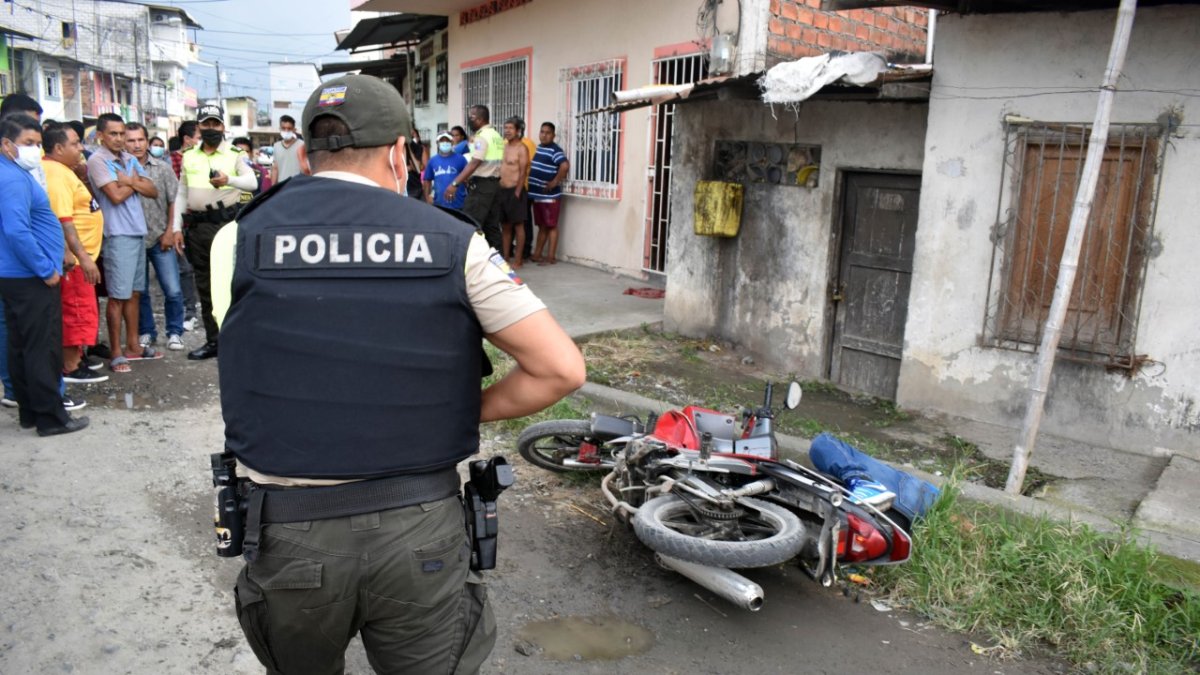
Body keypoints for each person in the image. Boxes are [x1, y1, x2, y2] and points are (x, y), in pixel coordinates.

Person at [208, 73, 585, 674]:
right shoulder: (453, 240)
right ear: (398, 153)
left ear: (304, 155)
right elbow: (560, 369)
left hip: (290, 530)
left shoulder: (237, 236)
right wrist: (464, 407)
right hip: (420, 529)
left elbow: (251, 351)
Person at [0, 114, 89, 435]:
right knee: (42, 348)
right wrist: (45, 269)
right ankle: (50, 418)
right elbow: (17, 231)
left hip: (17, 276)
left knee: (22, 345)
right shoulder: (10, 178)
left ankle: (32, 413)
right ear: (6, 144)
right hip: (30, 277)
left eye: (38, 144)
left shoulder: (13, 173)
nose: (35, 150)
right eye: (28, 144)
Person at [172, 104, 256, 361]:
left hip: (225, 225)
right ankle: (214, 341)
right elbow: (181, 193)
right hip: (197, 228)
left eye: (215, 124)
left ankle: (238, 340)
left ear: (222, 127)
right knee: (206, 286)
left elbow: (252, 183)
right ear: (198, 126)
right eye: (206, 124)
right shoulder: (189, 156)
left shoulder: (234, 155)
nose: (211, 129)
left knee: (232, 284)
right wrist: (176, 227)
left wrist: (228, 180)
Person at [87, 113, 162, 374]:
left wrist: (129, 180)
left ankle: (133, 346)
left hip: (136, 232)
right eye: (114, 134)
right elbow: (115, 196)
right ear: (101, 135)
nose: (120, 139)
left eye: (122, 134)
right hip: (116, 234)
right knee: (118, 296)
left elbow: (153, 190)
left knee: (134, 293)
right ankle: (117, 352)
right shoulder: (98, 161)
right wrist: (136, 183)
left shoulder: (128, 160)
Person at [41, 123, 107, 384]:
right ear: (58, 148)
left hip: (81, 258)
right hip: (75, 261)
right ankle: (70, 366)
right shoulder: (55, 174)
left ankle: (76, 358)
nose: (81, 148)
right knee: (75, 311)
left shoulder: (63, 171)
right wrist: (81, 256)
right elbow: (62, 220)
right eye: (75, 143)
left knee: (82, 310)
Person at [126, 122, 184, 352]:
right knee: (140, 291)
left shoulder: (162, 168)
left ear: (147, 141)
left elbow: (174, 201)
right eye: (131, 140)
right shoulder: (120, 168)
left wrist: (170, 231)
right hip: (133, 239)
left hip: (161, 236)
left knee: (172, 288)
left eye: (140, 139)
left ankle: (175, 331)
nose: (137, 144)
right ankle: (147, 331)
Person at [448, 105, 505, 251]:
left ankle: (468, 263)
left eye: (471, 117)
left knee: (469, 223)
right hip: (494, 185)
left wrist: (455, 183)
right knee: (492, 226)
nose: (469, 120)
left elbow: (474, 162)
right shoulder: (496, 135)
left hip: (481, 187)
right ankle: (497, 264)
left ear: (480, 119)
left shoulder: (482, 137)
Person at [528, 122, 570, 265]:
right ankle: (537, 254)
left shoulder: (555, 150)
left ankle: (551, 256)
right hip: (538, 195)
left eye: (547, 133)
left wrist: (554, 182)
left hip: (549, 196)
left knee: (551, 225)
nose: (544, 135)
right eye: (542, 132)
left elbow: (565, 166)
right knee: (542, 226)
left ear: (553, 135)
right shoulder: (539, 148)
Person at [498, 117, 530, 269]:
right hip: (502, 191)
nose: (507, 131)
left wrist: (518, 191)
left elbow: (523, 172)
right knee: (505, 227)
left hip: (515, 191)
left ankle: (518, 260)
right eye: (506, 128)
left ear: (518, 131)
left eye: (511, 128)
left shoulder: (522, 149)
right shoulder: (503, 147)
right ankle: (505, 257)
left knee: (518, 226)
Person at [423, 131, 468, 210]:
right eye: (442, 141)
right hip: (439, 204)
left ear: (452, 142)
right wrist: (427, 197)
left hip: (458, 204)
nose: (445, 143)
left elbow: (467, 178)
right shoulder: (432, 161)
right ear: (437, 143)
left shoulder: (461, 159)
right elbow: (427, 180)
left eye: (447, 140)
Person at [269, 114, 308, 184]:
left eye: (289, 128)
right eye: (283, 128)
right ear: (280, 129)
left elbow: (306, 168)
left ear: (294, 130)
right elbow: (275, 168)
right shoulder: (276, 146)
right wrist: (273, 187)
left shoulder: (302, 145)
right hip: (281, 187)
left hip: (297, 185)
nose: (286, 131)